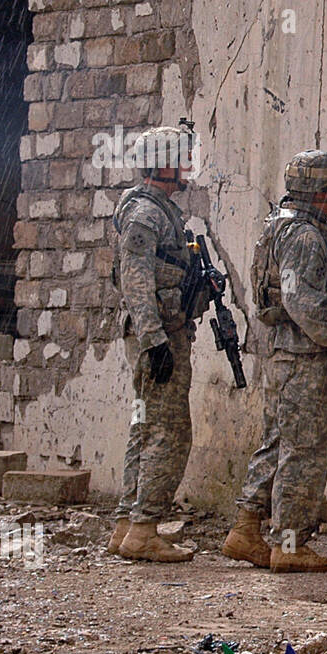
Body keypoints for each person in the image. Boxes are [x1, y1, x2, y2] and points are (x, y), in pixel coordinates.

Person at [221, 150, 327, 573]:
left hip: (284, 354)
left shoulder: (280, 226)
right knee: (306, 449)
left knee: (278, 442)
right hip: (304, 357)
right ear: (319, 190)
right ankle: (291, 543)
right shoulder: (303, 236)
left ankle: (246, 528)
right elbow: (302, 301)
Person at [109, 124, 205, 563]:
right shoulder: (146, 215)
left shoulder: (159, 210)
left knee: (144, 427)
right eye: (182, 158)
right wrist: (155, 342)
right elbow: (135, 281)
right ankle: (144, 528)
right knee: (169, 432)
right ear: (164, 164)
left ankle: (128, 525)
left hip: (161, 333)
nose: (187, 167)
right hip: (158, 338)